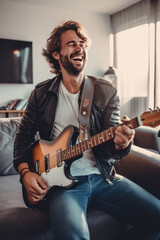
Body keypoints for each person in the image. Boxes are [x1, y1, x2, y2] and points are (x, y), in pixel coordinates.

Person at [13, 20, 160, 240]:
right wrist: (25, 174)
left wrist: (121, 143)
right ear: (56, 54)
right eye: (71, 44)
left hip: (103, 178)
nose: (79, 47)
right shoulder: (41, 94)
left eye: (82, 43)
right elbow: (22, 139)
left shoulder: (105, 90)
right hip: (61, 185)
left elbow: (112, 148)